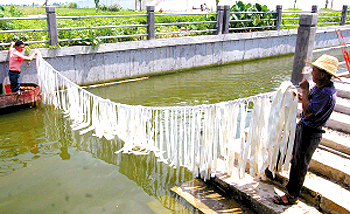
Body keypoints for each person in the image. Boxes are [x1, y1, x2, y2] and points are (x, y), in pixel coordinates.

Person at [273, 54, 340, 205]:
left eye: (315, 70)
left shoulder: (327, 93)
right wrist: (297, 94)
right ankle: (290, 189)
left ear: (323, 74)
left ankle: (291, 196)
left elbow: (308, 111)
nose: (312, 72)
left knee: (300, 165)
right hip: (304, 127)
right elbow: (307, 100)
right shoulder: (320, 87)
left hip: (311, 133)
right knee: (295, 157)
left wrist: (304, 90)